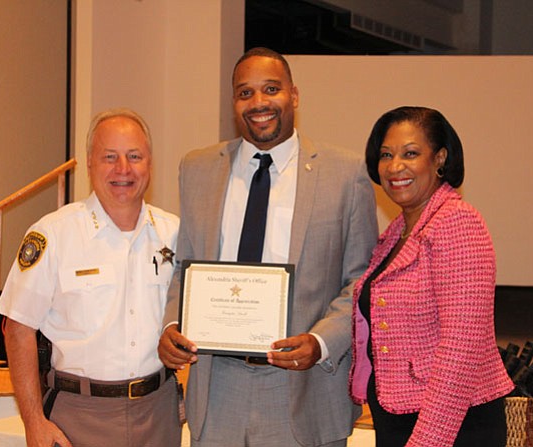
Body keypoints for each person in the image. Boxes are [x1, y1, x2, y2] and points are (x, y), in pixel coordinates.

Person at [158, 47, 378, 446]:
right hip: (217, 390)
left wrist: (322, 342)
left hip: (303, 388)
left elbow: (362, 280)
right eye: (245, 93)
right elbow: (184, 266)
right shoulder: (197, 168)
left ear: (294, 95)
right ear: (233, 102)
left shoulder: (346, 174)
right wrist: (173, 324)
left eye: (271, 89)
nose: (259, 103)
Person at [0, 108, 182, 447]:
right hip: (77, 417)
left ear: (150, 164)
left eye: (134, 156)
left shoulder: (176, 234)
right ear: (90, 164)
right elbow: (18, 329)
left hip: (159, 413)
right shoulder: (53, 234)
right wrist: (34, 421)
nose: (123, 169)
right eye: (109, 157)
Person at [349, 106, 514, 447]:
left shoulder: (457, 222)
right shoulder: (399, 231)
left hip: (452, 425)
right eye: (385, 154)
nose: (395, 167)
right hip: (398, 416)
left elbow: (461, 349)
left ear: (440, 159)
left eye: (410, 153)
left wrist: (428, 440)